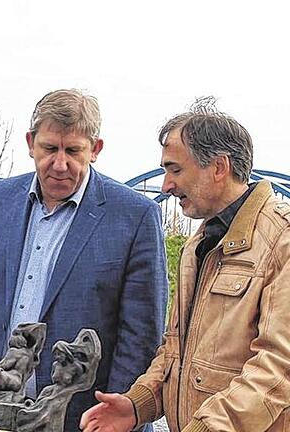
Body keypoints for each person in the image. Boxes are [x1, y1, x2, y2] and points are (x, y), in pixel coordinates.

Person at [0, 89, 168, 432]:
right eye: (49, 149)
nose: (60, 164)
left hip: (81, 418)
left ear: (96, 149)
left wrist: (116, 415)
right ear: (31, 143)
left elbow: (141, 335)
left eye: (73, 151)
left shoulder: (134, 217)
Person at [80, 99, 290, 432]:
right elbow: (176, 347)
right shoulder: (199, 243)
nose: (165, 186)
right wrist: (138, 403)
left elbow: (279, 368)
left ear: (219, 167)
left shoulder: (283, 238)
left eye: (175, 169)